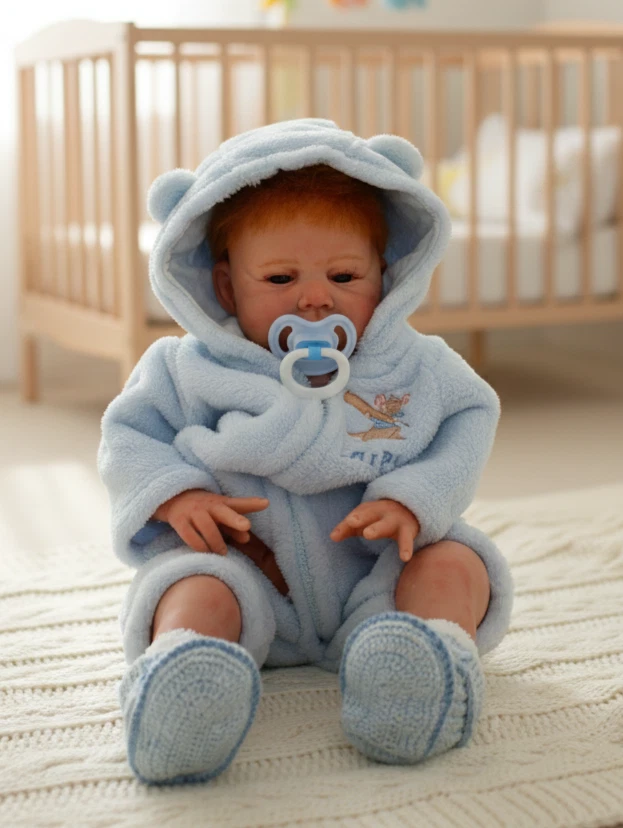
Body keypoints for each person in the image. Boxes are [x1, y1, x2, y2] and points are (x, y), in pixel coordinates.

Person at [98, 118, 513, 786]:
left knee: (455, 561)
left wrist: (418, 498)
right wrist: (176, 493)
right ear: (227, 287)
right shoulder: (185, 367)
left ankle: (416, 666)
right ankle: (186, 679)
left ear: (386, 274)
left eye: (344, 274)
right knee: (193, 587)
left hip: (378, 575)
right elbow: (127, 436)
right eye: (281, 277)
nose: (315, 298)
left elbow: (470, 417)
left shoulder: (415, 365)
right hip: (245, 572)